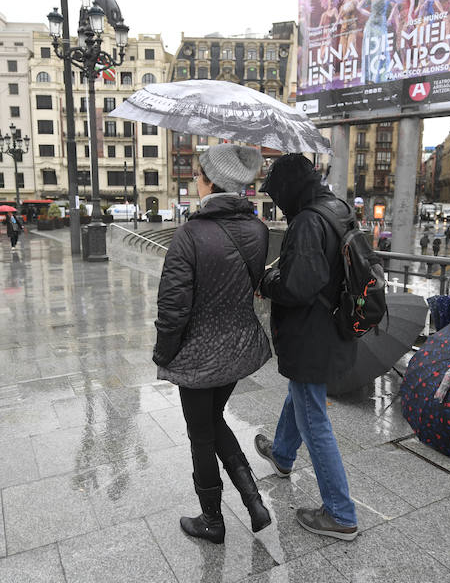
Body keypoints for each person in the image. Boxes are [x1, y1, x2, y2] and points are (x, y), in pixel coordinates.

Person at [153, 144, 272, 545]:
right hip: (238, 350)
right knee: (212, 421)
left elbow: (173, 307)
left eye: (197, 175)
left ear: (209, 181)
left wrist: (164, 353)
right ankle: (254, 502)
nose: (194, 181)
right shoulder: (258, 229)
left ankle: (212, 521)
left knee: (200, 434)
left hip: (199, 357)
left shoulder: (190, 234)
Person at [253, 153, 359, 542]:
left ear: (290, 189)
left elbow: (298, 286)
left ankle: (340, 513)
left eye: (277, 194)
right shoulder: (337, 207)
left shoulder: (308, 221)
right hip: (331, 326)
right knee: (301, 392)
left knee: (314, 418)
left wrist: (267, 282)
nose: (277, 203)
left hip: (310, 331)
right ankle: (281, 454)